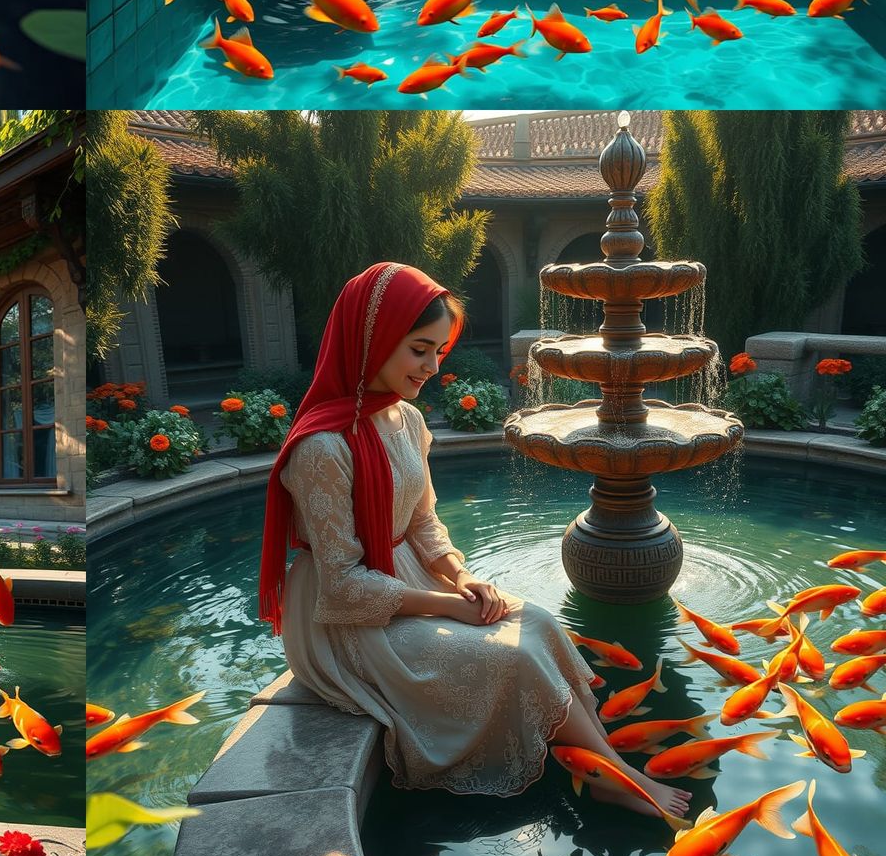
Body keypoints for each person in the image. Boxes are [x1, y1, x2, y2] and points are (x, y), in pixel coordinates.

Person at [259, 262, 692, 819]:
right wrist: (450, 606)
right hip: (344, 622)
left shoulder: (406, 421)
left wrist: (462, 579)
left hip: (402, 581)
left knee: (535, 619)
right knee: (508, 656)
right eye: (419, 349)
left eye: (438, 350)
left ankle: (600, 764)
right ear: (372, 340)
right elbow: (342, 588)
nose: (433, 367)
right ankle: (617, 773)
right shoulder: (322, 449)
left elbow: (422, 524)